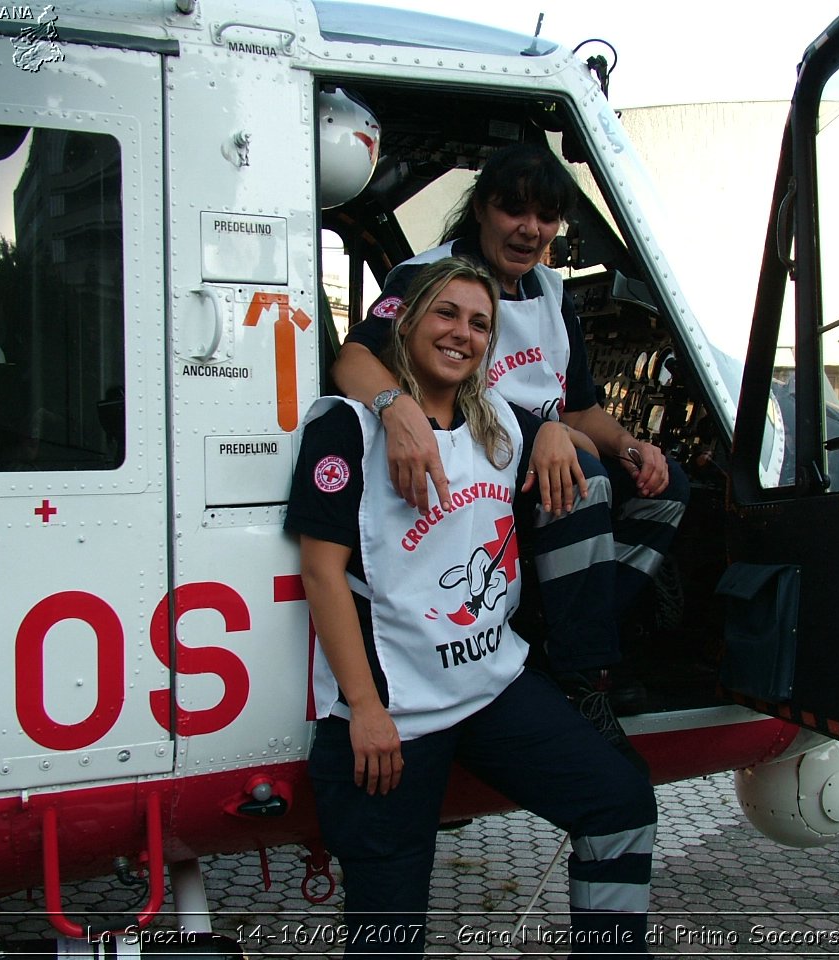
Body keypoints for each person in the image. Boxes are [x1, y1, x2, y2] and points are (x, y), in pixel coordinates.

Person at [287, 258, 657, 957]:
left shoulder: (500, 424)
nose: (463, 333)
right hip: (395, 717)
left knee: (621, 804)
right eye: (447, 315)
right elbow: (322, 573)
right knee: (388, 934)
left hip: (493, 689)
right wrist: (365, 711)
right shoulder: (344, 429)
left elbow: (569, 430)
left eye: (480, 323)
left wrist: (554, 430)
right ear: (408, 319)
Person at [332, 142, 689, 738]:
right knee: (583, 479)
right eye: (513, 212)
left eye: (546, 218)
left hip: (543, 443)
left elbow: (579, 408)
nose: (530, 230)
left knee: (667, 484)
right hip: (473, 450)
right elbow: (355, 357)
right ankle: (584, 677)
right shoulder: (429, 276)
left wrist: (632, 445)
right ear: (481, 210)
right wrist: (396, 410)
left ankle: (569, 633)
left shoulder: (551, 292)